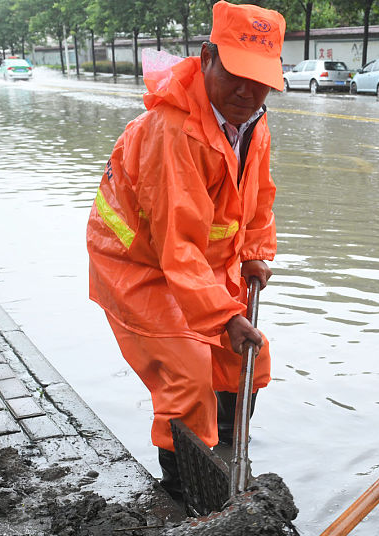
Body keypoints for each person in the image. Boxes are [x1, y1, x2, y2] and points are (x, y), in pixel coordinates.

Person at [86, 1, 284, 501]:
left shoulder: (252, 120)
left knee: (247, 362)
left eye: (260, 79)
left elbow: (258, 195)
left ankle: (228, 461)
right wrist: (223, 316)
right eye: (237, 74)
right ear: (207, 57)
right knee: (190, 376)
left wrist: (256, 251)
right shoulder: (173, 131)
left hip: (200, 262)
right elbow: (177, 242)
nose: (248, 90)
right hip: (138, 264)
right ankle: (185, 495)